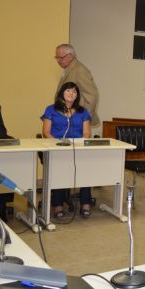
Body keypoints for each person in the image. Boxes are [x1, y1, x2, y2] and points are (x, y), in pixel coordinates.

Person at [41, 82, 93, 218]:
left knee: (85, 171)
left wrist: (78, 144)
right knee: (59, 172)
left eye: (74, 92)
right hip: (58, 149)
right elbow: (46, 132)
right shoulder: (51, 110)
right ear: (62, 93)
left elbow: (87, 133)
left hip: (77, 149)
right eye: (68, 91)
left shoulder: (83, 111)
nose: (71, 94)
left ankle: (85, 203)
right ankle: (57, 205)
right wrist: (58, 144)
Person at [54, 44, 100, 127]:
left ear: (71, 56)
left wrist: (84, 118)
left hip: (76, 119)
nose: (58, 61)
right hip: (67, 117)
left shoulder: (79, 70)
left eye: (61, 57)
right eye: (57, 58)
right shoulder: (69, 69)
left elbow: (92, 95)